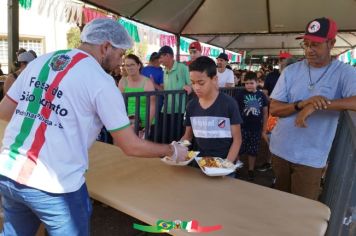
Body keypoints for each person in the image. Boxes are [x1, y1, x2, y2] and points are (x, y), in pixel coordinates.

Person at [0, 18, 187, 235]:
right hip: (54, 185)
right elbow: (130, 146)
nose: (120, 63)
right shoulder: (101, 81)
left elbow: (4, 112)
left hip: (9, 171)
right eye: (120, 55)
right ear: (106, 46)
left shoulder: (40, 61)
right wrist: (171, 149)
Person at [269, 17, 356, 200]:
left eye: (315, 44)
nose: (309, 50)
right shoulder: (291, 71)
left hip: (311, 157)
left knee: (303, 209)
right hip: (280, 149)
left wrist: (317, 106)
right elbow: (274, 109)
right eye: (306, 44)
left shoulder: (344, 72)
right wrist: (302, 104)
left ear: (331, 43)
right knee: (278, 201)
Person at [180, 56, 242, 173]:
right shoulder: (191, 106)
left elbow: (237, 139)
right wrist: (177, 149)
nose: (196, 87)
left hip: (225, 164)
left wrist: (226, 166)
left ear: (214, 79)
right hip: (200, 165)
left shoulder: (229, 104)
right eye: (193, 83)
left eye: (201, 83)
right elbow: (188, 137)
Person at [235, 71, 268, 181]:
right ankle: (237, 167)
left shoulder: (262, 95)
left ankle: (251, 170)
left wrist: (264, 129)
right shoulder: (240, 95)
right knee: (239, 148)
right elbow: (236, 111)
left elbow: (265, 113)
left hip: (256, 128)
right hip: (242, 127)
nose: (248, 85)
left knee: (253, 150)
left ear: (257, 82)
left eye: (251, 83)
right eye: (246, 83)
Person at [158, 45, 192, 143]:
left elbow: (192, 84)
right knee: (166, 135)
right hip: (166, 108)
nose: (160, 60)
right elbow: (166, 88)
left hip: (180, 110)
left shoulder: (183, 68)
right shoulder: (165, 71)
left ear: (168, 56)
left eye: (161, 57)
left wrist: (189, 87)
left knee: (178, 136)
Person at [118, 54, 155, 137]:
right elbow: (119, 104)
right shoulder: (123, 81)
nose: (129, 67)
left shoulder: (147, 82)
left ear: (138, 65)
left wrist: (147, 125)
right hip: (128, 123)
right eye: (127, 65)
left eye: (132, 65)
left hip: (145, 123)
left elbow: (152, 105)